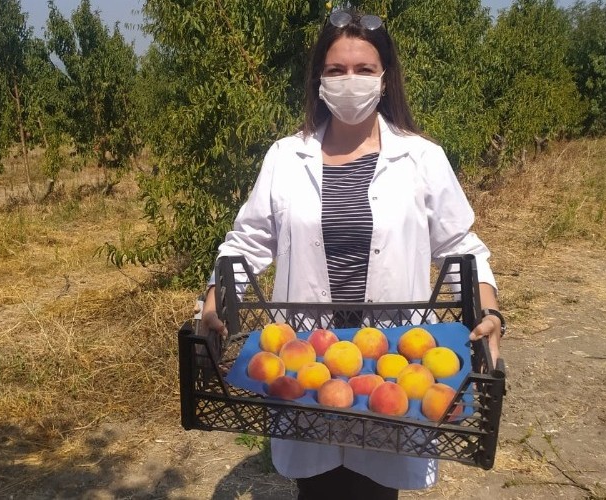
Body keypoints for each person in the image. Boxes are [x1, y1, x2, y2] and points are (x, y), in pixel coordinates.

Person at [198, 8, 504, 499]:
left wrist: (490, 313)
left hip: (391, 361)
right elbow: (246, 244)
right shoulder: (285, 157)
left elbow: (459, 246)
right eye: (336, 70)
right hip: (307, 360)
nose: (350, 81)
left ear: (385, 78)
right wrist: (213, 304)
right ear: (319, 79)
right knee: (315, 486)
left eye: (364, 69)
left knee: (377, 487)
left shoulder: (422, 158)